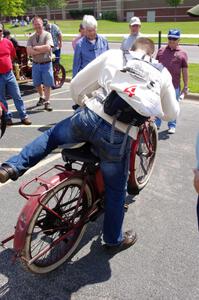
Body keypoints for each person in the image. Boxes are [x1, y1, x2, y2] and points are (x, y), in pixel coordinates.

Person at [0, 38, 179, 252]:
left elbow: (77, 85)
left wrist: (83, 102)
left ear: (131, 49)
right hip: (118, 134)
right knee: (116, 190)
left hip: (88, 117)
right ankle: (112, 240)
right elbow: (171, 114)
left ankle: (12, 166)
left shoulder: (115, 55)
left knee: (51, 137)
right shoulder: (162, 73)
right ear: (153, 54)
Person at [155, 29, 188, 134]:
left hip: (175, 85)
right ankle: (157, 123)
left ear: (179, 40)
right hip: (160, 84)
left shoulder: (182, 53)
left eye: (174, 39)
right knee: (158, 105)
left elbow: (185, 70)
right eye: (170, 38)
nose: (171, 40)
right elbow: (155, 66)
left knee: (173, 106)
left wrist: (186, 86)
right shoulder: (161, 51)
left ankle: (172, 125)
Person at [0, 24, 31, 126]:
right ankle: (7, 118)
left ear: (2, 31)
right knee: (2, 99)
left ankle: (23, 116)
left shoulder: (8, 42)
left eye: (0, 30)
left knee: (17, 95)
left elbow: (13, 55)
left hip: (9, 74)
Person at [27, 16, 54, 111]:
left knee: (47, 84)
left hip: (46, 64)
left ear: (42, 24)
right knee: (37, 83)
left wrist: (35, 48)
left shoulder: (47, 35)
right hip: (36, 64)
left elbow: (48, 48)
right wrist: (41, 50)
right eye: (35, 24)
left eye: (39, 24)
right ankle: (42, 96)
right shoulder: (31, 37)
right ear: (33, 25)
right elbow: (29, 51)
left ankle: (47, 102)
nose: (37, 26)